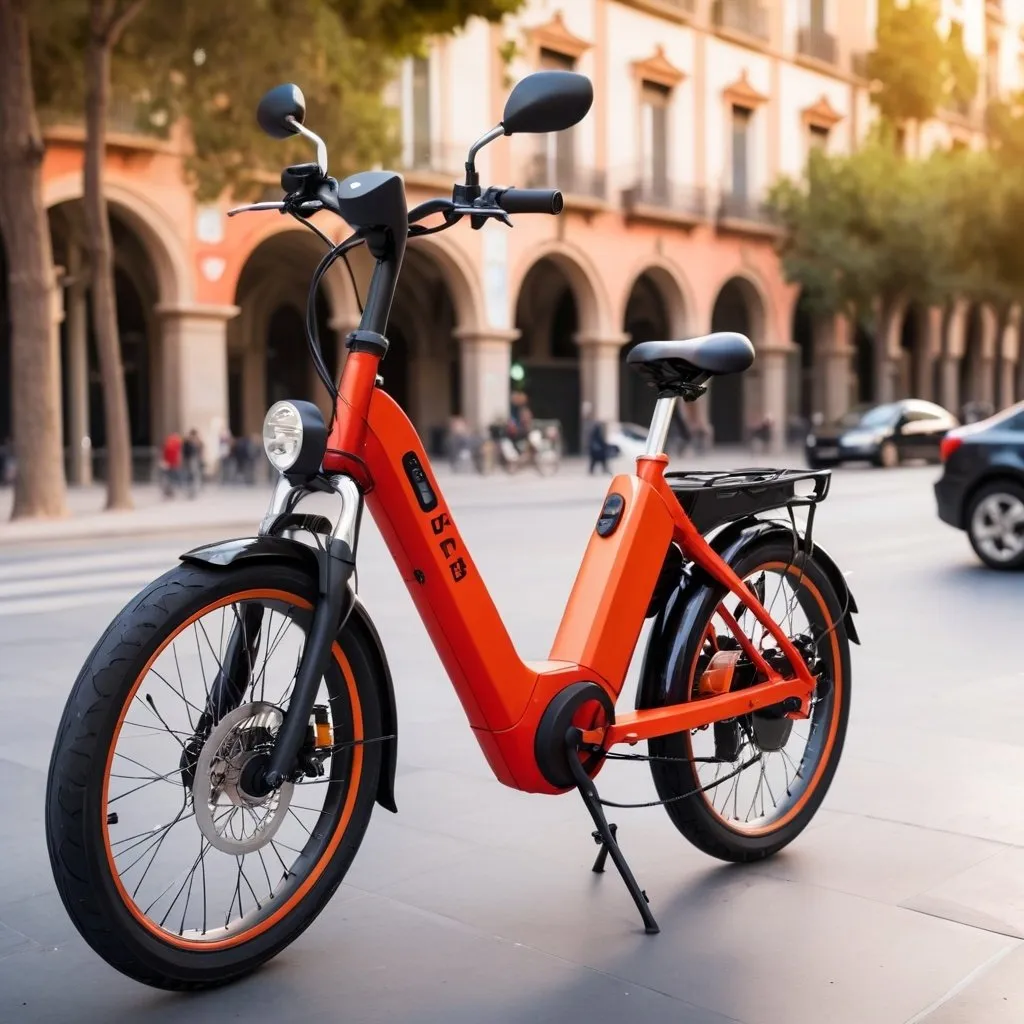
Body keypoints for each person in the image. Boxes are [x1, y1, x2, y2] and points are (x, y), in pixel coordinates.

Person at [182, 428, 203, 498]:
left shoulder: (197, 442)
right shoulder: (187, 442)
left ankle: (194, 490)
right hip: (189, 460)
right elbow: (184, 450)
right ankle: (190, 490)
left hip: (194, 460)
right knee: (190, 476)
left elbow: (200, 450)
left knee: (194, 475)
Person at [160, 432, 182, 497]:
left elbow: (165, 453)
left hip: (170, 464)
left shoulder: (169, 444)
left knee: (169, 478)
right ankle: (169, 491)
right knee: (170, 478)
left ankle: (169, 491)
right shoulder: (174, 444)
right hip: (171, 464)